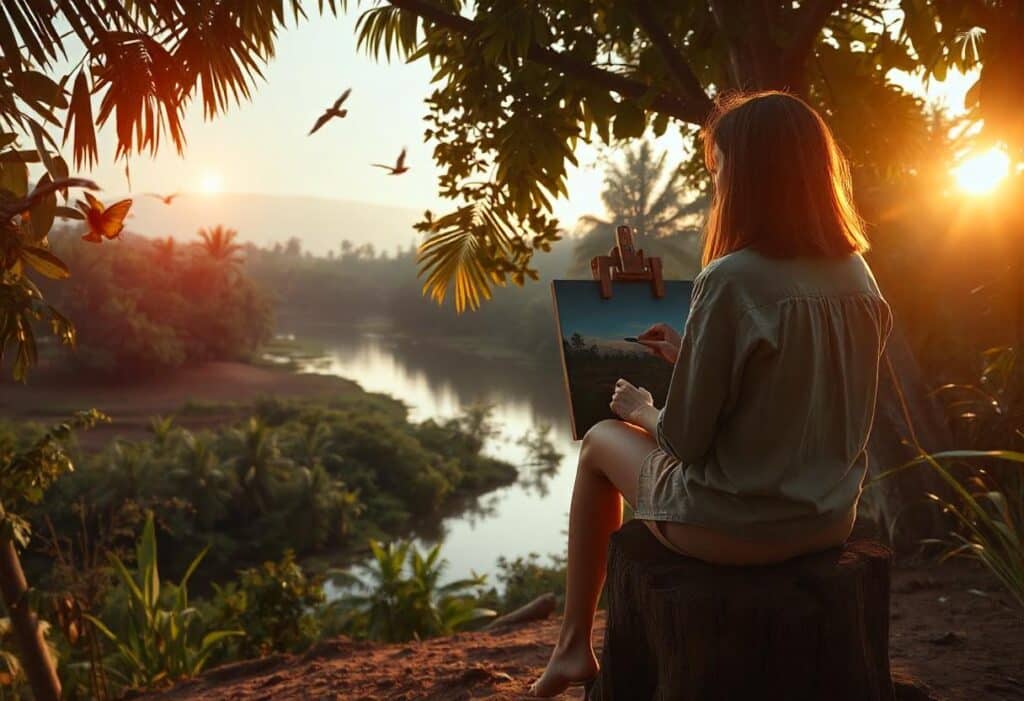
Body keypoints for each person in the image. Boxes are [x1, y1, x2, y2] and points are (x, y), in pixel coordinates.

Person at [528, 90, 893, 697]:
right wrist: (688, 351)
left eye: (718, 169)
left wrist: (643, 410)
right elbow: (800, 388)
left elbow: (689, 443)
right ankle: (571, 646)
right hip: (828, 519)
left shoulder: (732, 277)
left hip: (734, 529)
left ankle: (571, 647)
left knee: (597, 442)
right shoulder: (859, 275)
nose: (715, 184)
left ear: (749, 175)